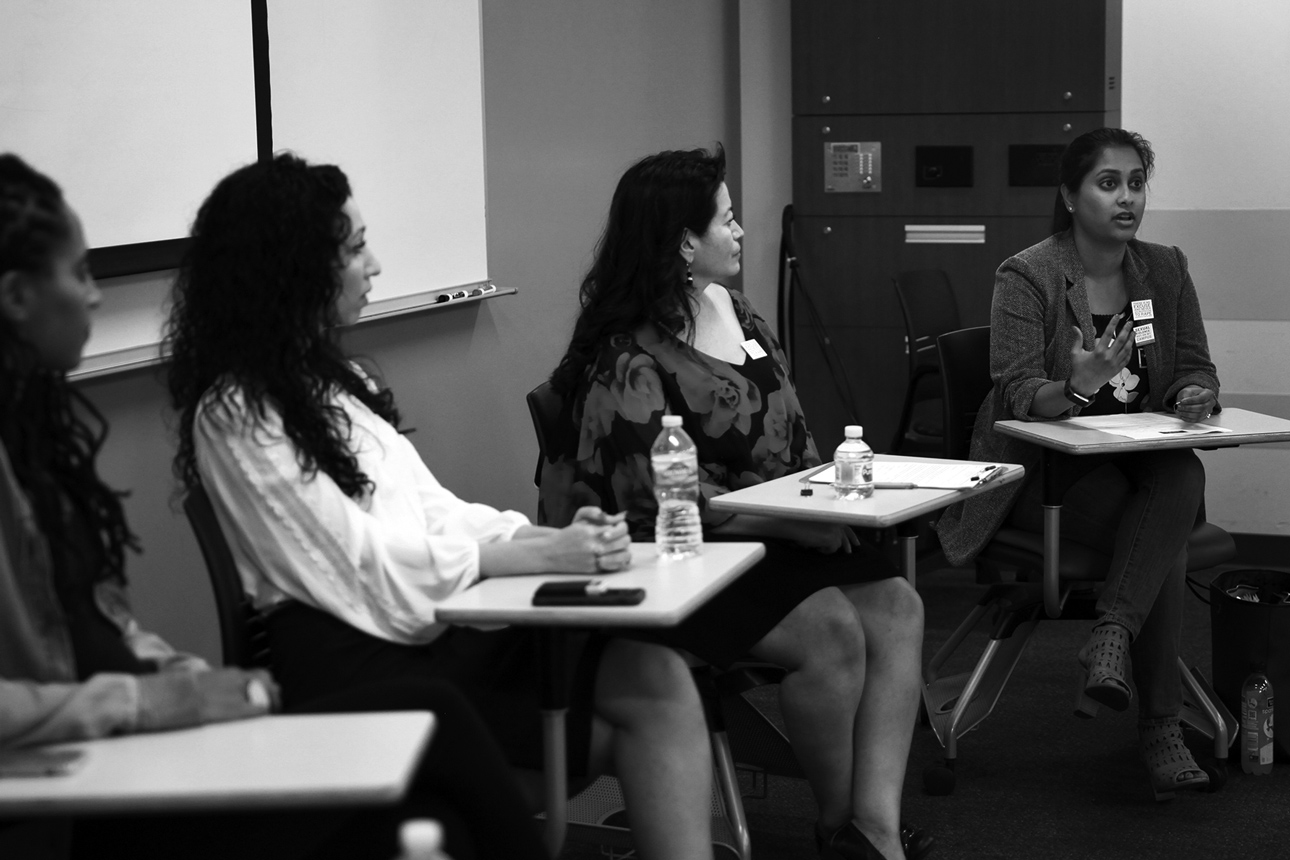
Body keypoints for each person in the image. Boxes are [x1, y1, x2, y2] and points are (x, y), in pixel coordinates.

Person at [164, 153, 716, 860]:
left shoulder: (335, 385)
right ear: (294, 268)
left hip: (430, 620)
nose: (377, 266)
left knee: (652, 671)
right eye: (357, 248)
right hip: (357, 651)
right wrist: (525, 554)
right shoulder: (238, 411)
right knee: (632, 722)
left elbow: (434, 509)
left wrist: (539, 537)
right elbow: (358, 566)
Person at [0, 152, 533, 860]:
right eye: (78, 274)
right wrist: (146, 703)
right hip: (86, 776)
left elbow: (101, 626)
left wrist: (183, 679)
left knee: (437, 810)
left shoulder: (36, 440)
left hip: (128, 737)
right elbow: (357, 568)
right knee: (436, 731)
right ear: (14, 297)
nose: (95, 297)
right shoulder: (235, 410)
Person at [542, 146, 930, 860]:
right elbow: (658, 501)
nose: (741, 231)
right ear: (684, 242)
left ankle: (874, 829)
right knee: (833, 633)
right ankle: (840, 823)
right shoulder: (627, 358)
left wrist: (830, 496)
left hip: (788, 527)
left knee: (900, 606)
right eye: (726, 220)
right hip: (689, 554)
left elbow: (792, 423)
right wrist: (793, 519)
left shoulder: (734, 308)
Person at [936, 127, 1219, 801]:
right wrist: (1079, 385)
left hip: (1137, 469)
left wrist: (1192, 394)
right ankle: (1160, 729)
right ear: (1070, 195)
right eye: (1108, 183)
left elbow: (1193, 367)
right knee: (1165, 536)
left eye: (1136, 183)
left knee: (1182, 475)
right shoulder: (1028, 274)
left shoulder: (1165, 269)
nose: (1127, 198)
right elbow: (1014, 389)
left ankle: (1112, 634)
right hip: (1045, 477)